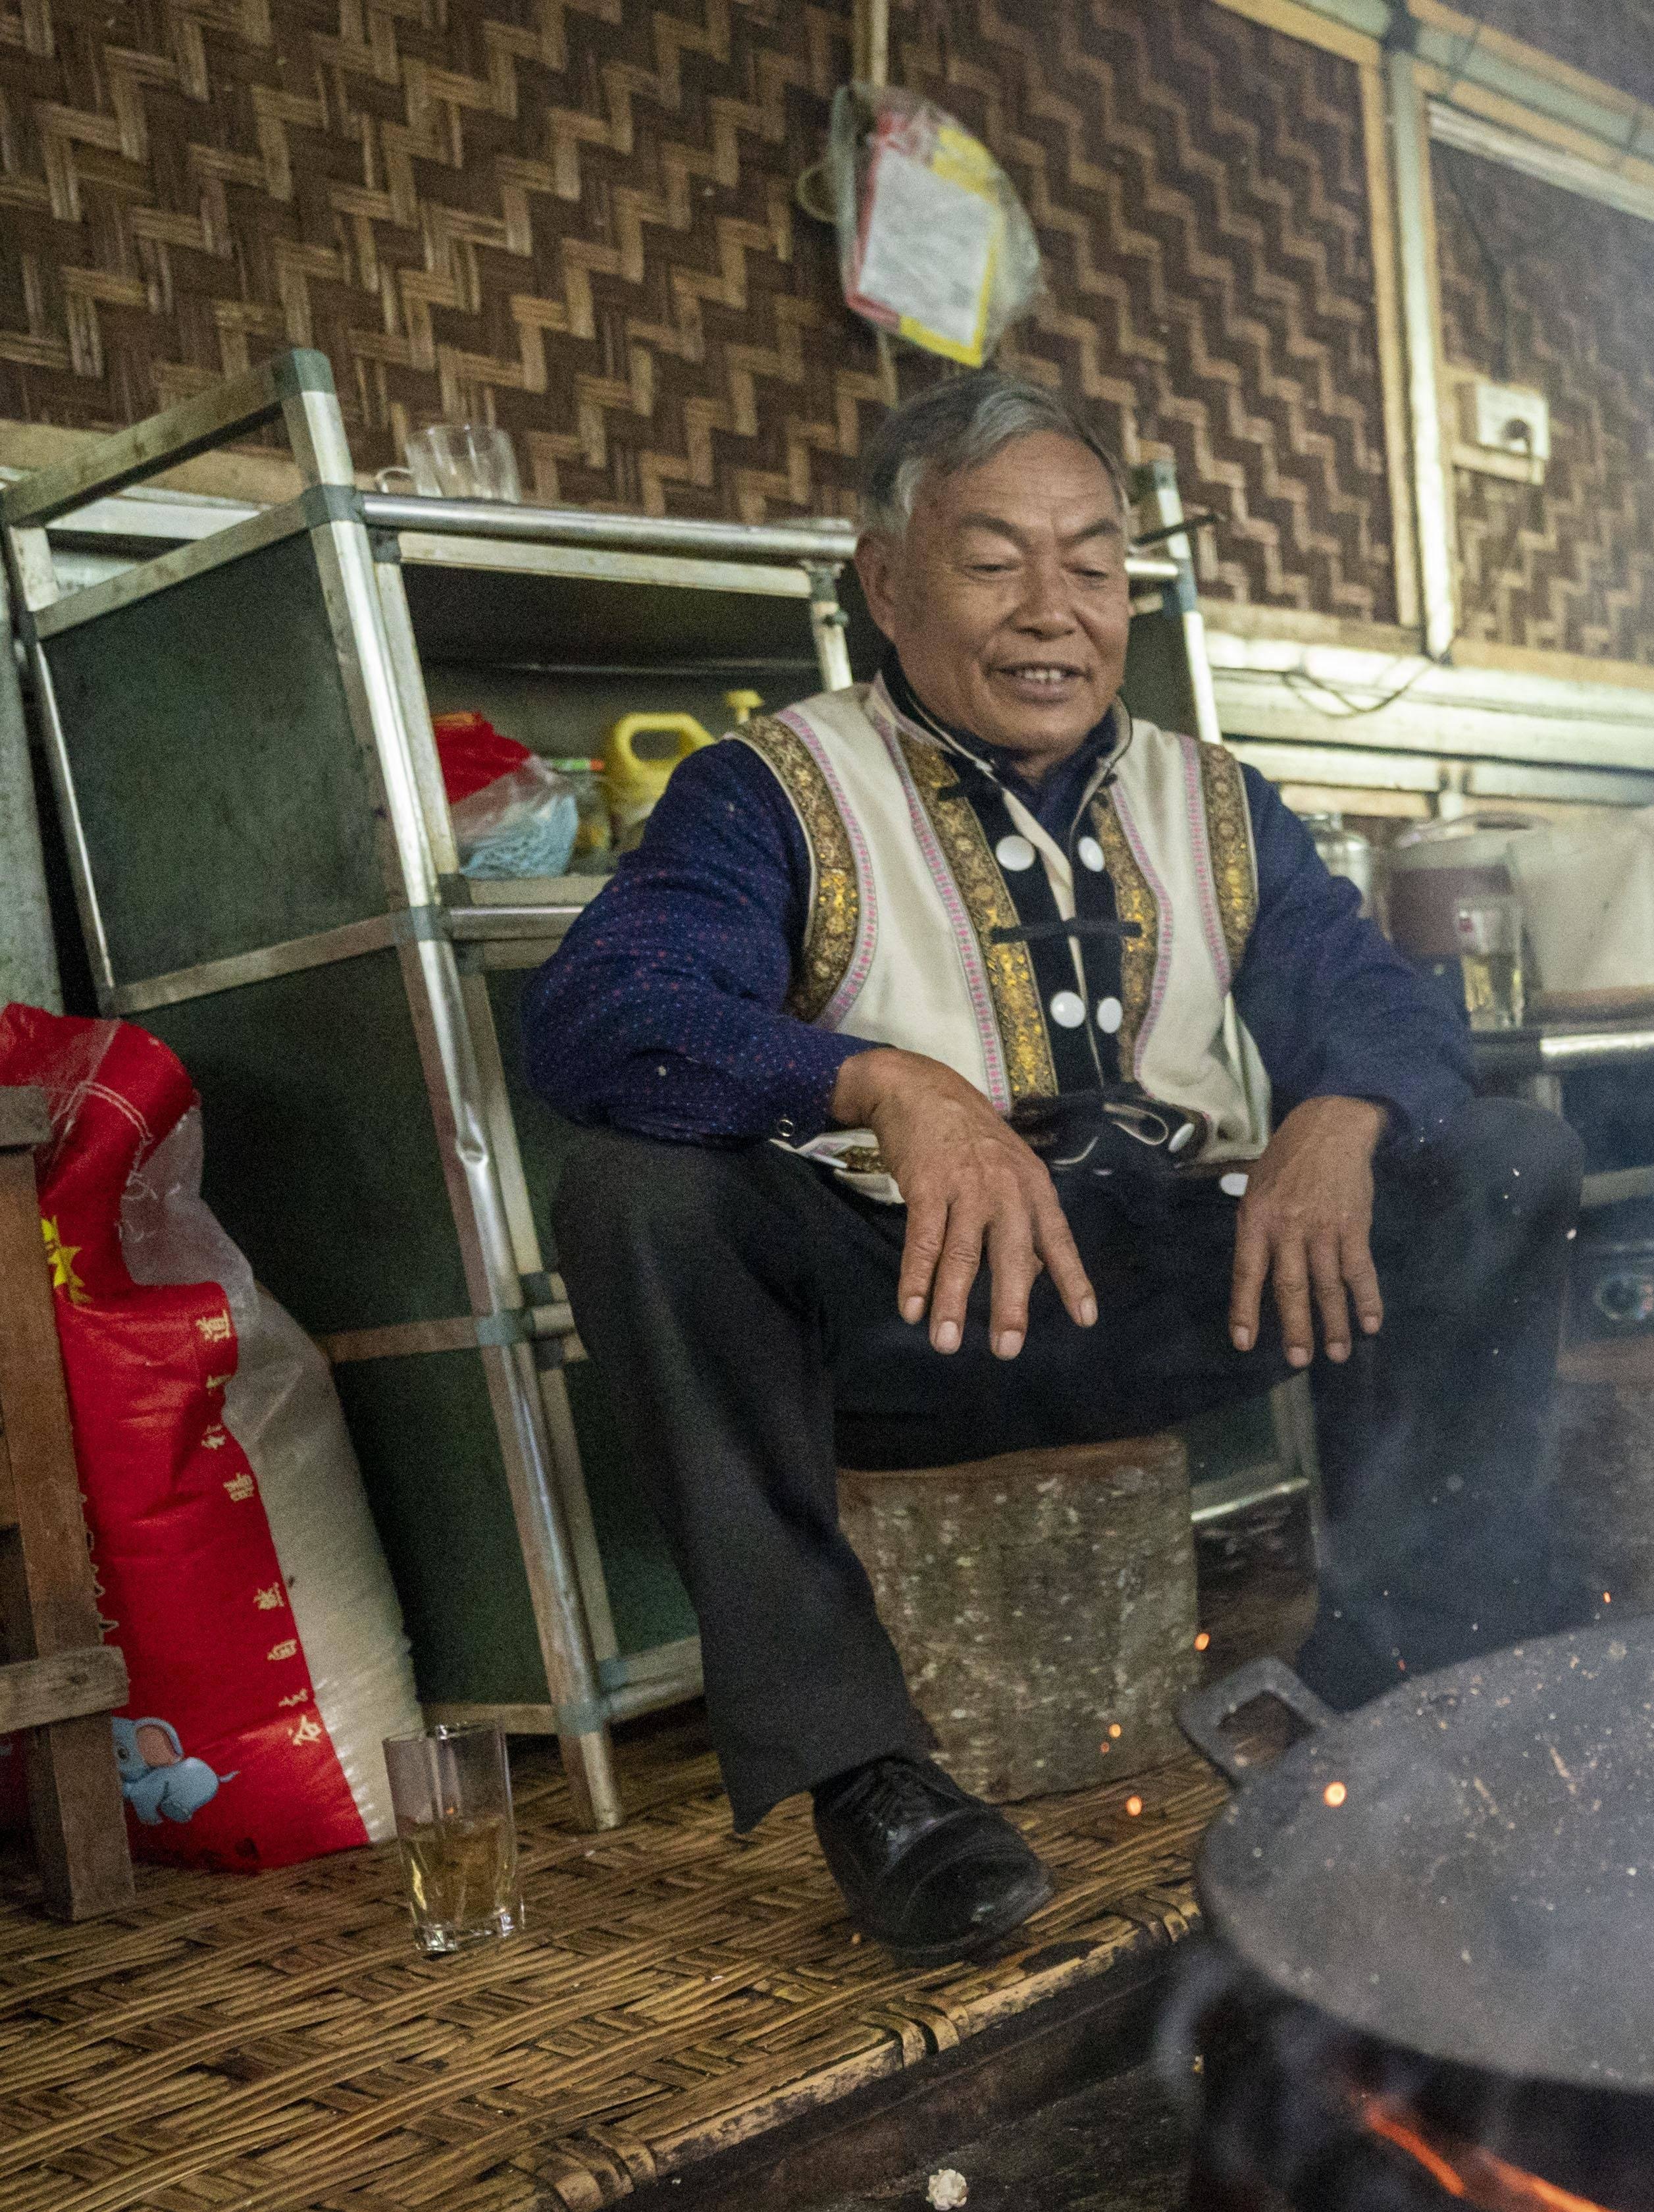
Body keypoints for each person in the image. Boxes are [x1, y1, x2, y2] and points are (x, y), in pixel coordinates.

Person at [524, 373, 1580, 1962]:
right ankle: (869, 1778)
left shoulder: (1209, 799)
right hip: (912, 1311)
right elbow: (605, 1011)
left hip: (1173, 1285)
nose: (1054, 612)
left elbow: (1372, 995)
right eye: (994, 558)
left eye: (1093, 565)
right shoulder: (773, 791)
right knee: (636, 1192)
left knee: (1499, 1152)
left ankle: (1396, 1677)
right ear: (884, 582)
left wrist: (1338, 1110)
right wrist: (881, 1083)